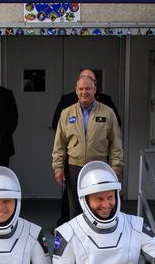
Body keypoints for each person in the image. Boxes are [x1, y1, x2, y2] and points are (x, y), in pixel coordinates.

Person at [51, 74, 124, 226]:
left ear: (95, 90)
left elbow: (116, 143)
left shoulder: (107, 112)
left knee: (97, 205)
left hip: (98, 168)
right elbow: (59, 144)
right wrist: (58, 167)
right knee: (75, 208)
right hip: (74, 168)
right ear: (76, 91)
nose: (84, 92)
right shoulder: (66, 113)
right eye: (81, 89)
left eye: (88, 88)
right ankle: (77, 242)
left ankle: (97, 238)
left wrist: (116, 165)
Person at [49, 68, 120, 132]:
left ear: (95, 83)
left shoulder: (105, 100)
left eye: (90, 79)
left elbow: (116, 124)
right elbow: (56, 124)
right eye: (84, 78)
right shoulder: (67, 100)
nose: (86, 81)